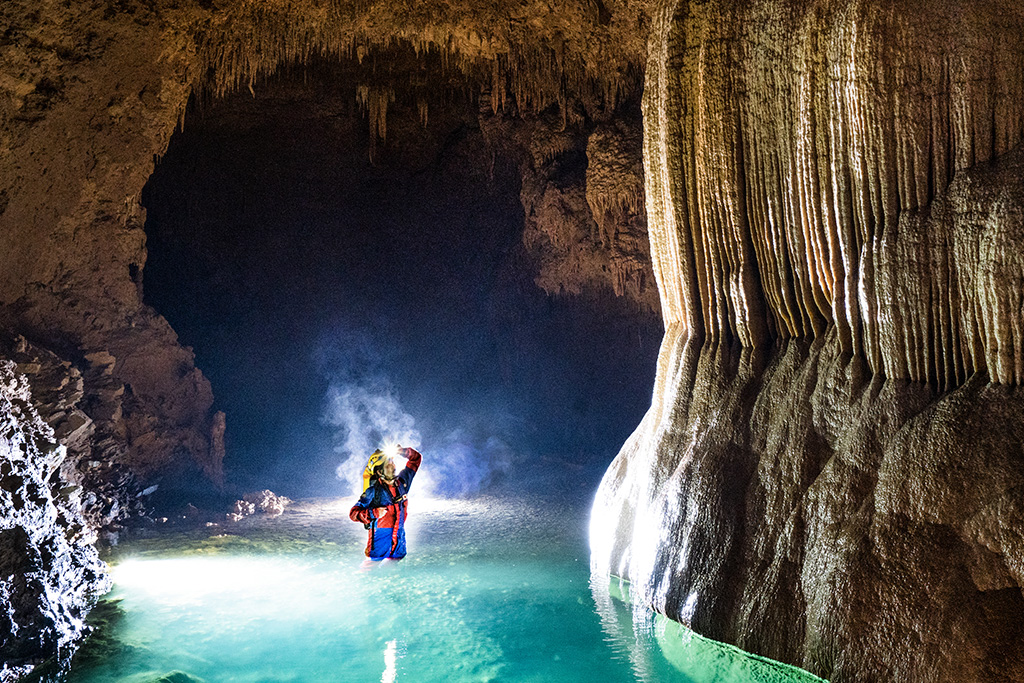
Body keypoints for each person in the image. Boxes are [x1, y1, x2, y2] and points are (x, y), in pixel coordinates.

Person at [349, 445, 422, 561]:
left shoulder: (402, 483)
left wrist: (402, 451)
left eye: (392, 462)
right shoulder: (373, 492)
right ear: (379, 471)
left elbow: (416, 458)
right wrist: (374, 513)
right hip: (378, 550)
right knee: (374, 577)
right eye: (388, 464)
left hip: (399, 549)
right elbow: (353, 514)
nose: (393, 466)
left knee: (397, 576)